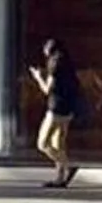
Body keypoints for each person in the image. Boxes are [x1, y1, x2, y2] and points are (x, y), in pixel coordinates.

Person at [30, 37, 83, 188]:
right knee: (58, 144)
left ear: (49, 50)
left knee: (42, 143)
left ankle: (68, 166)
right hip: (68, 109)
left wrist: (38, 78)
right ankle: (60, 179)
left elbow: (47, 89)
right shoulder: (68, 64)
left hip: (55, 109)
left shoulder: (54, 64)